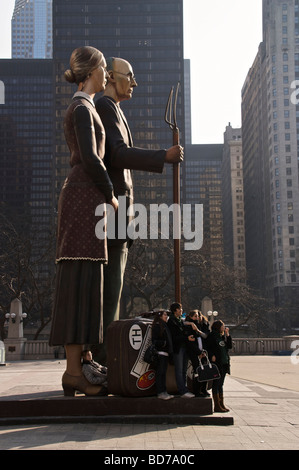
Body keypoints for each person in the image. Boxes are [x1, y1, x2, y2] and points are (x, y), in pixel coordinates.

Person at [95, 57, 184, 363]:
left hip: (120, 211)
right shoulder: (106, 108)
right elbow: (117, 155)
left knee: (114, 288)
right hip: (114, 210)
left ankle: (106, 356)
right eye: (129, 76)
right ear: (110, 77)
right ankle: (105, 359)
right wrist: (164, 156)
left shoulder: (114, 110)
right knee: (110, 289)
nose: (134, 83)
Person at [49, 46, 118, 397]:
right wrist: (110, 193)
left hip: (85, 198)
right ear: (92, 71)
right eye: (104, 68)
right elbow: (90, 156)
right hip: (82, 198)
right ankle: (74, 371)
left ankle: (85, 362)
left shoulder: (86, 106)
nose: (106, 74)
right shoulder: (80, 108)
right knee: (79, 276)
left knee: (89, 276)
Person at [167, 302, 195, 398]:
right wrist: (186, 338)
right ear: (175, 310)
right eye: (180, 309)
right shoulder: (172, 321)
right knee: (179, 370)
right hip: (178, 348)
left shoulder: (179, 320)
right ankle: (182, 390)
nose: (181, 310)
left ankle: (185, 388)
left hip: (184, 347)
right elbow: (175, 337)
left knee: (183, 370)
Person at [205, 319, 232, 412]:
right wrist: (212, 355)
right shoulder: (212, 336)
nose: (224, 328)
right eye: (222, 326)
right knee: (216, 384)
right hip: (217, 363)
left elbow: (229, 346)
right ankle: (216, 405)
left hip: (224, 363)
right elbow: (207, 347)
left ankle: (221, 403)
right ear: (218, 327)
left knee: (221, 384)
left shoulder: (222, 336)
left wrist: (227, 335)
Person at [184, 310, 208, 397]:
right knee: (197, 371)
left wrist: (203, 351)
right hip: (194, 353)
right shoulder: (189, 326)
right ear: (190, 317)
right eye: (195, 316)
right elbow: (191, 343)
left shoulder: (199, 325)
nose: (197, 318)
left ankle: (203, 389)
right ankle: (197, 391)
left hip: (202, 351)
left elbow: (205, 336)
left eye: (197, 316)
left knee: (204, 370)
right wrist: (198, 352)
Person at [151, 311, 174, 400]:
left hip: (165, 352)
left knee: (163, 373)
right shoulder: (157, 326)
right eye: (165, 315)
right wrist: (164, 343)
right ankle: (160, 392)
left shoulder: (164, 325)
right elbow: (154, 340)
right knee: (160, 373)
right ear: (160, 316)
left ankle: (164, 391)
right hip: (160, 353)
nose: (166, 316)